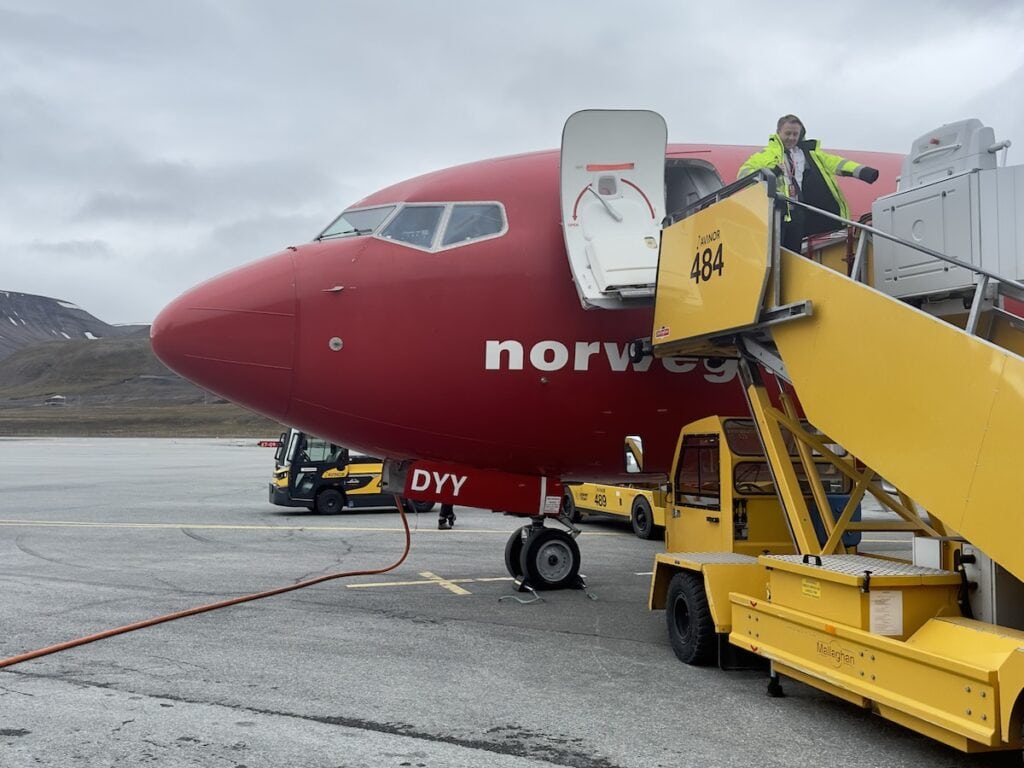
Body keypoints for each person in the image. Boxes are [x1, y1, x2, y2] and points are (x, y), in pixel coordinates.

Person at [738, 114, 879, 253]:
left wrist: (863, 171)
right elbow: (743, 176)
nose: (792, 138)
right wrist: (772, 172)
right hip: (777, 212)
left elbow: (835, 163)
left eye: (795, 134)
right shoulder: (764, 156)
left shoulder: (807, 154)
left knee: (794, 255)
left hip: (798, 212)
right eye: (788, 133)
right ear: (778, 132)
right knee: (775, 254)